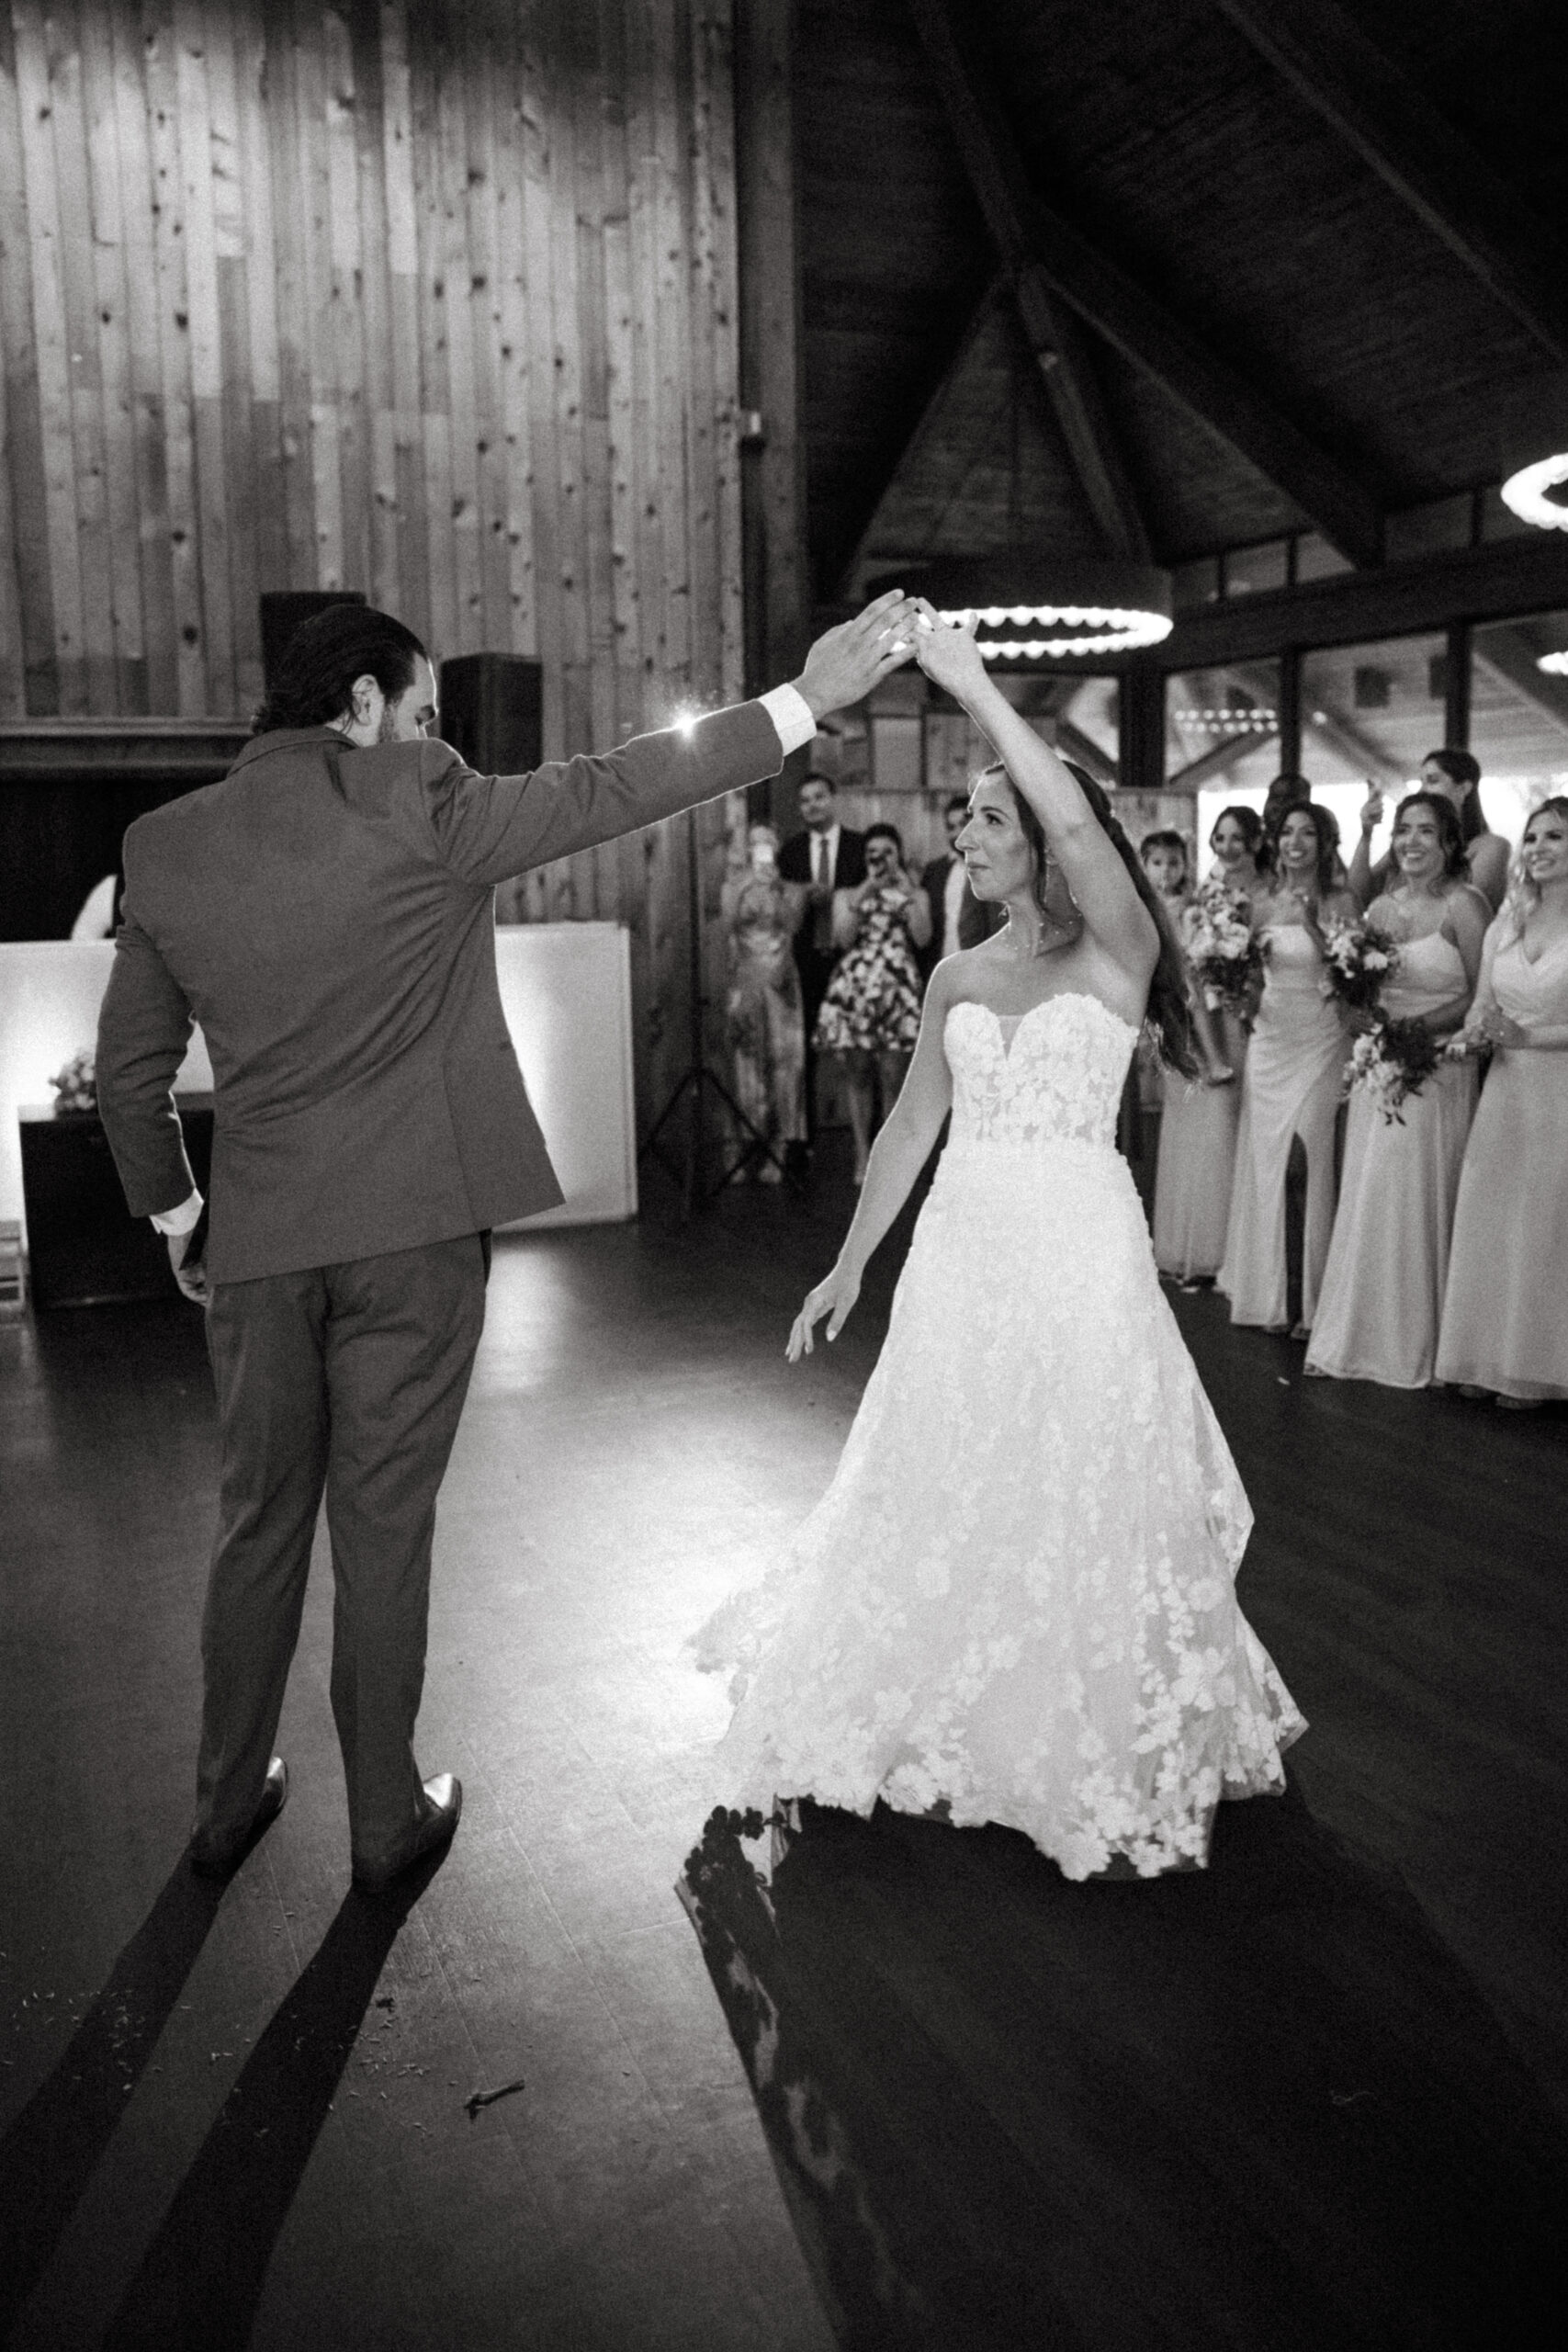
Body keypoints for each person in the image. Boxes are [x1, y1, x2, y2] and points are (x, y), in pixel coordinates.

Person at [94, 592, 919, 1890]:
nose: (435, 732)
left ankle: (222, 1805)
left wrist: (184, 1215)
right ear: (359, 705)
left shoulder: (164, 845)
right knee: (381, 1526)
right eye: (421, 710)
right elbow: (615, 787)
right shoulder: (417, 793)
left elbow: (126, 1075)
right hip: (414, 1240)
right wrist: (802, 700)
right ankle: (382, 1823)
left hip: (256, 1248)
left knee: (256, 1525)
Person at [696, 605, 1303, 1883]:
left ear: (1038, 840)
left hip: (1080, 1247)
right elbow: (914, 1122)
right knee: (949, 1461)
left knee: (1078, 1464)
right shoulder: (955, 976)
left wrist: (975, 690)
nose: (960, 834)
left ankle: (1073, 1714)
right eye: (962, 817)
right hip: (963, 1250)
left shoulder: (1121, 951)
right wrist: (850, 1260)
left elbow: (1083, 825)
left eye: (984, 818)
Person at [1305, 794, 1485, 1388]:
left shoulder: (1464, 905)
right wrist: (1360, 1012)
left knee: (1419, 1195)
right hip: (1379, 1066)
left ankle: (1422, 1341)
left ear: (1448, 844)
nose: (1410, 841)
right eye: (1403, 830)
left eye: (1425, 832)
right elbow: (1362, 988)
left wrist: (1418, 1029)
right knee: (1372, 1194)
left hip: (1437, 1069)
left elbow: (1481, 996)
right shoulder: (1379, 908)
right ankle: (1362, 1333)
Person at [1436, 797, 1568, 1408]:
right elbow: (1479, 1005)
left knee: (1545, 1224)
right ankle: (1482, 1354)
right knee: (1493, 1216)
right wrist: (1470, 1035)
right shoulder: (1506, 921)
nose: (1539, 847)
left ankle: (1536, 1368)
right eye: (1533, 837)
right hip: (1506, 1088)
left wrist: (1529, 1037)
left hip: (1557, 1088)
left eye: (1555, 838)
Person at [1219, 800, 1357, 1336]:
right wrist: (1239, 997)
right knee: (1269, 1162)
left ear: (1324, 843)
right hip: (1271, 1040)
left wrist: (1314, 927)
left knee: (1308, 1158)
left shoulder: (1342, 899)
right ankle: (1273, 1294)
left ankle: (1314, 1299)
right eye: (1287, 832)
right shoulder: (1259, 900)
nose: (1295, 842)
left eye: (1307, 833)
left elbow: (1354, 977)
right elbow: (1245, 974)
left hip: (1322, 1038)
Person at [1152, 817, 1250, 1287]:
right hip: (1176, 1018)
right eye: (1157, 862)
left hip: (1204, 1010)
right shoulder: (1149, 909)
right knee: (1185, 1130)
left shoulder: (1195, 908)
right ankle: (1181, 1245)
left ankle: (1213, 1247)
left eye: (1174, 862)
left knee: (1215, 1131)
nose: (1166, 871)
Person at [815, 821, 931, 1184]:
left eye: (887, 853)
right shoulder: (848, 894)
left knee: (893, 1078)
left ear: (899, 856)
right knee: (859, 1074)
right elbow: (843, 939)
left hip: (897, 989)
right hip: (857, 990)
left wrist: (906, 889)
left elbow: (923, 938)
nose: (880, 860)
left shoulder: (917, 894)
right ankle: (863, 1155)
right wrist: (869, 887)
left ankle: (891, 1155)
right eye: (873, 854)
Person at [778, 772, 866, 1156]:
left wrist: (840, 899)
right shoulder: (790, 852)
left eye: (818, 797)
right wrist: (800, 896)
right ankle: (803, 1141)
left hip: (852, 962)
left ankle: (868, 1140)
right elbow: (780, 909)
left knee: (860, 1053)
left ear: (833, 799)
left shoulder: (860, 847)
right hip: (805, 960)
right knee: (804, 1053)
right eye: (804, 800)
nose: (811, 805)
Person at [722, 822, 808, 1181]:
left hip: (782, 978)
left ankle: (779, 1147)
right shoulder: (732, 886)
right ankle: (741, 1147)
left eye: (768, 844)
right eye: (755, 845)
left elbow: (794, 926)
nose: (761, 851)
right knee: (745, 1062)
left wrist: (776, 889)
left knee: (785, 1063)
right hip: (745, 977)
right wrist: (745, 884)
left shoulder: (791, 890)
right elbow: (727, 924)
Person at [1350, 749, 1510, 915]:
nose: (1422, 791)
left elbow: (1468, 912)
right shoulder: (1410, 845)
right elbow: (1356, 899)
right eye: (1421, 782)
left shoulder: (1491, 846)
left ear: (1463, 789)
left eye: (1432, 781)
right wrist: (1366, 833)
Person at [920, 792, 1002, 978]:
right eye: (951, 827)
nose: (958, 833)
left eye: (963, 824)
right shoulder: (934, 871)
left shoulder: (995, 867)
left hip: (984, 971)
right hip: (943, 970)